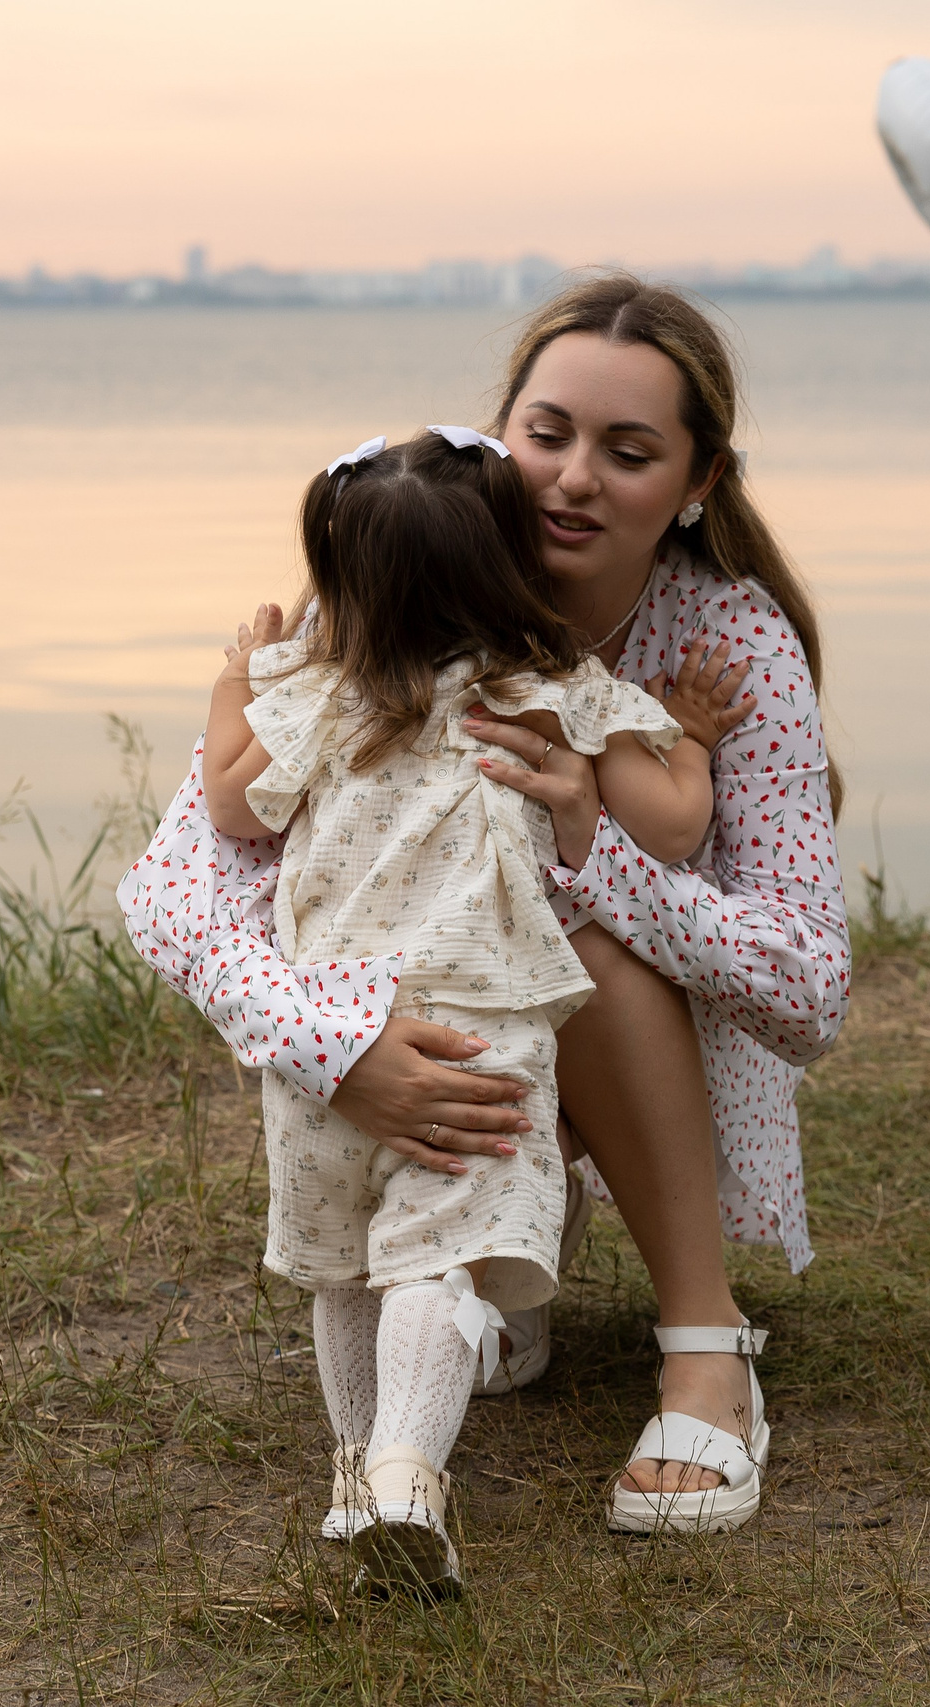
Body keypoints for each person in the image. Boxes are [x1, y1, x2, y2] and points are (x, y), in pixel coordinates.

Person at [119, 273, 849, 1537]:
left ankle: (704, 1341)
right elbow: (182, 892)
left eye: (629, 452)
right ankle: (462, 1275)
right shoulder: (385, 592)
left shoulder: (727, 643)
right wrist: (336, 1046)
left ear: (697, 484)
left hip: (649, 1037)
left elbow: (805, 988)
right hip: (422, 1035)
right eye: (549, 433)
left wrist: (589, 846)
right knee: (406, 952)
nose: (573, 479)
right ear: (497, 436)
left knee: (570, 926)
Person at [200, 425, 752, 1594]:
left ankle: (359, 1485)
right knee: (432, 1268)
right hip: (476, 1042)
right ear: (510, 566)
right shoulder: (544, 693)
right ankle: (405, 1474)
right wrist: (691, 743)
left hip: (329, 1046)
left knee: (345, 1270)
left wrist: (231, 686)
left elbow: (233, 812)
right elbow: (670, 828)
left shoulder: (314, 699)